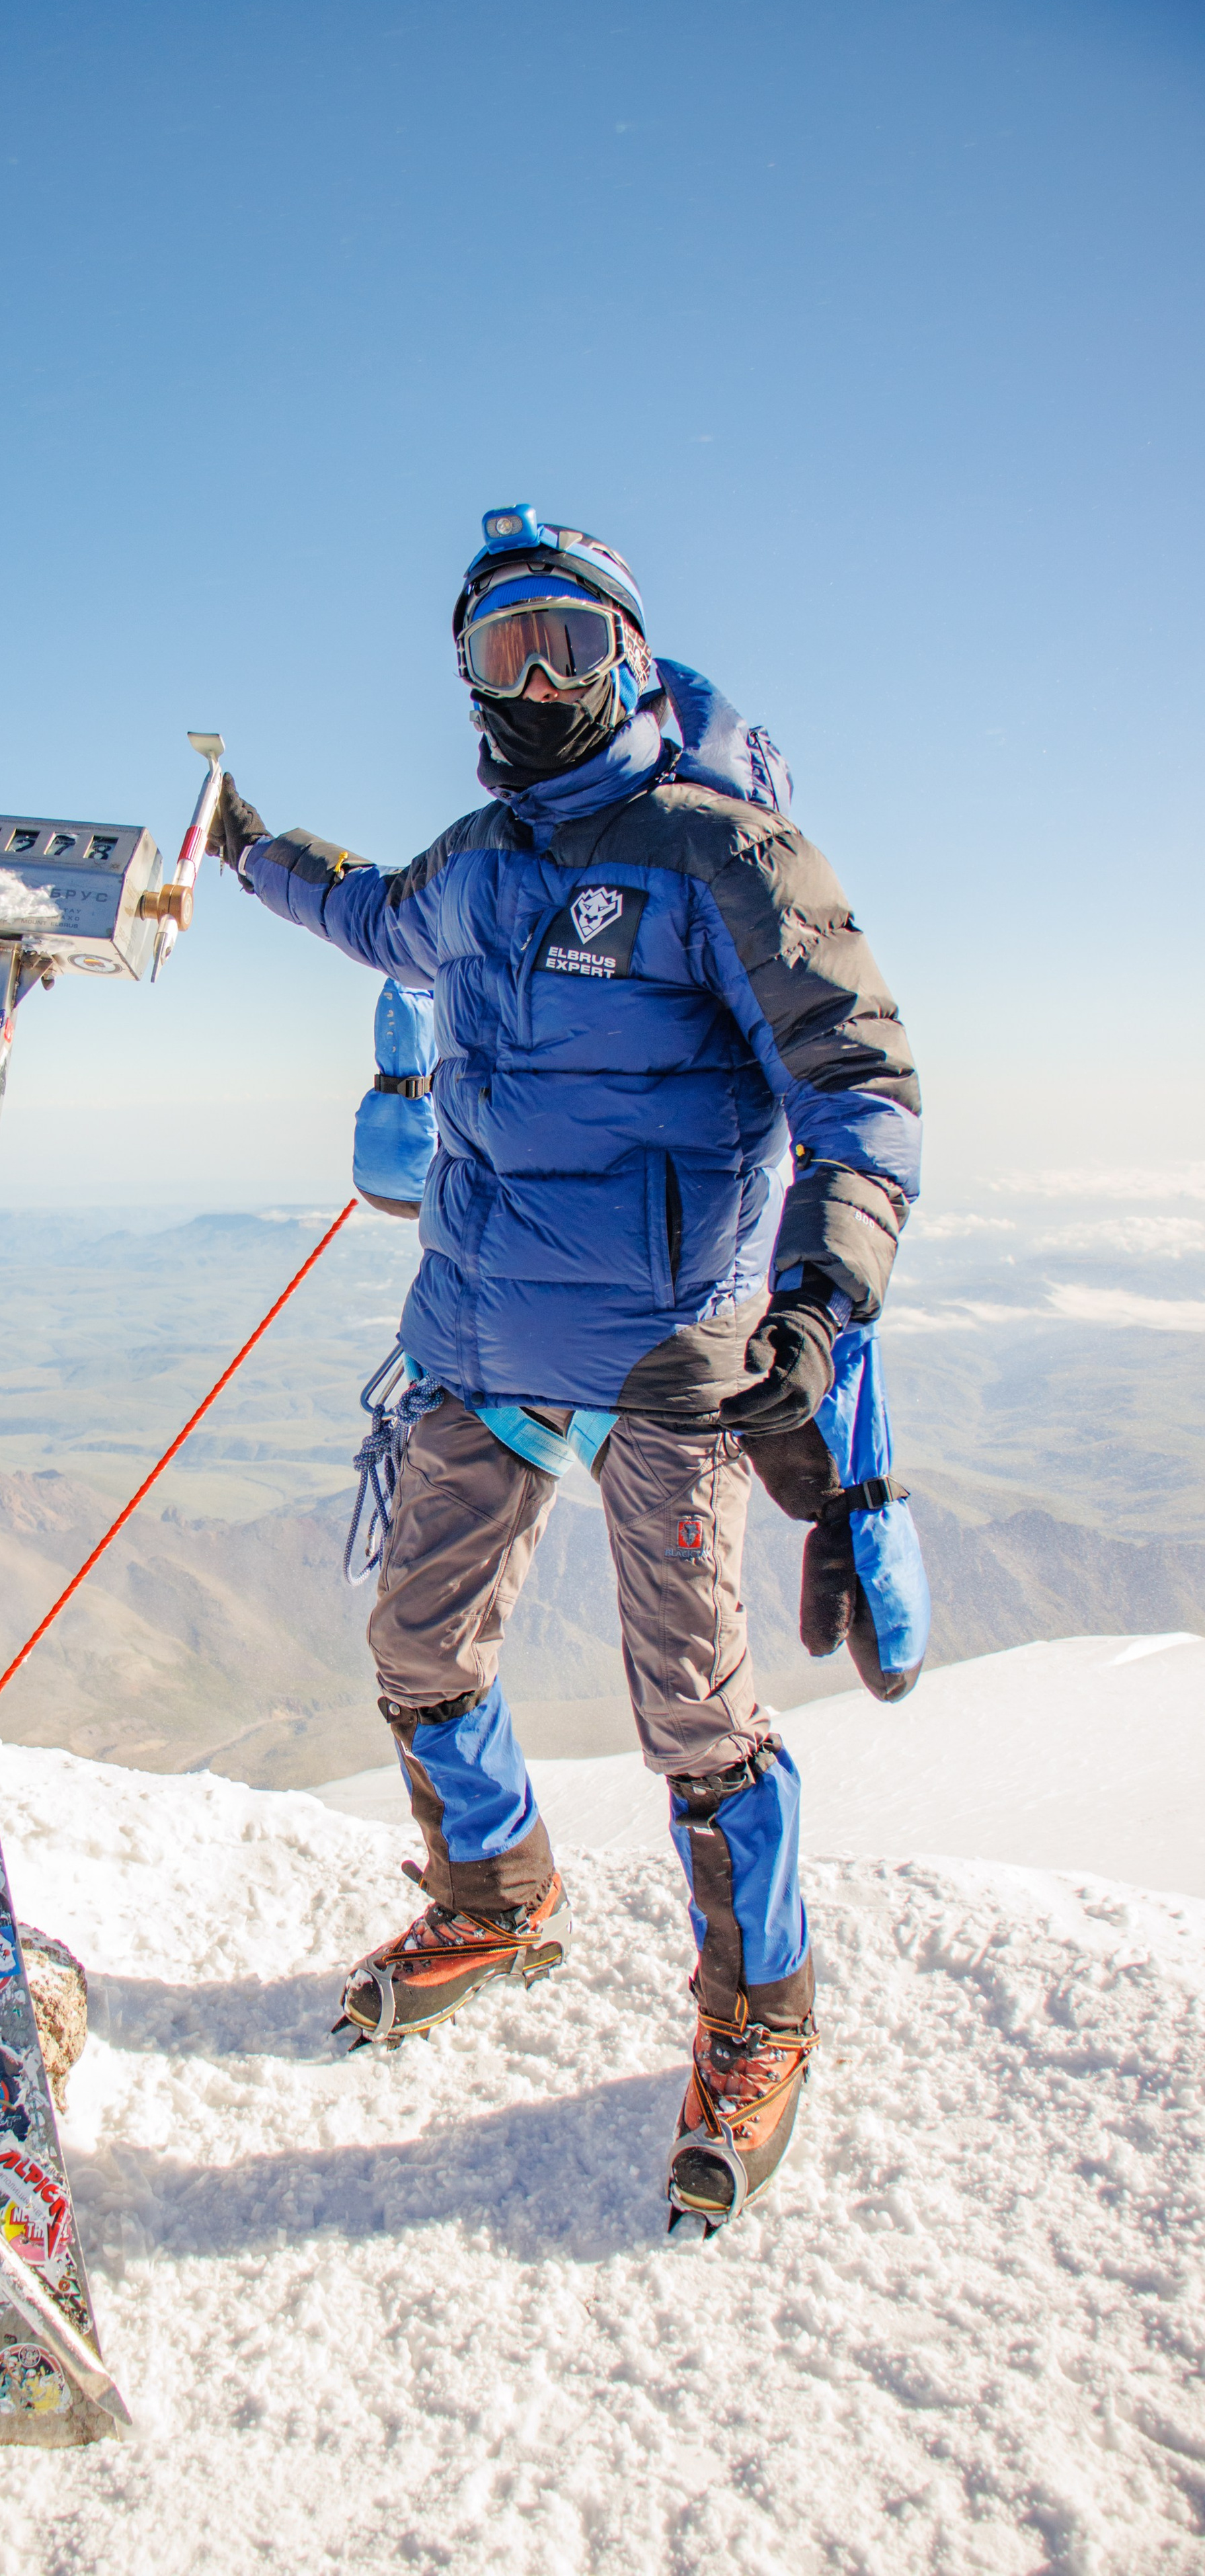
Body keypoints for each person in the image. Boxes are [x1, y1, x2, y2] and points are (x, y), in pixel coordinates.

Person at [207, 507, 921, 2228]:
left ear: (629, 657)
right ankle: (493, 1892)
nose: (535, 682)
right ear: (462, 672)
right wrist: (240, 846)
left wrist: (818, 1298)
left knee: (695, 1709)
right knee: (417, 1643)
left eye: (567, 646)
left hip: (680, 1360)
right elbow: (368, 913)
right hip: (475, 1339)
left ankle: (760, 2015)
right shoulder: (472, 862)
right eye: (499, 650)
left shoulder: (722, 853)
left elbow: (861, 1088)